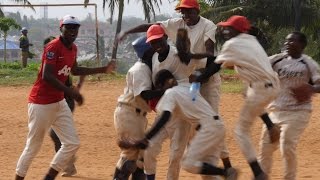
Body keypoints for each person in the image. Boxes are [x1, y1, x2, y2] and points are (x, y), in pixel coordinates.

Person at [15, 15, 116, 180]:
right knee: (33, 147)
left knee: (72, 143)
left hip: (59, 102)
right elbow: (47, 76)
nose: (72, 31)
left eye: (75, 28)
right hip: (40, 102)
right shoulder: (53, 46)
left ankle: (48, 177)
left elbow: (75, 70)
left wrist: (103, 69)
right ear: (61, 29)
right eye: (68, 27)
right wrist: (71, 92)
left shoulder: (74, 48)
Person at [198, 15, 281, 180]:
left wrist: (198, 78)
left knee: (240, 131)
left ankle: (258, 173)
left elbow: (215, 66)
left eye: (230, 28)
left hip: (260, 89)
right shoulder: (251, 40)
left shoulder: (232, 44)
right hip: (273, 85)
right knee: (246, 93)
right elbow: (230, 62)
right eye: (225, 27)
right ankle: (270, 124)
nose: (225, 30)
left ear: (239, 30)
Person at [128, 69, 238, 180]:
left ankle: (226, 172)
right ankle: (226, 172)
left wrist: (146, 138)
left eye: (160, 87)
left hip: (208, 129)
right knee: (208, 175)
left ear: (168, 82)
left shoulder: (170, 93)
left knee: (188, 163)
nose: (160, 91)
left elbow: (164, 117)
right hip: (217, 126)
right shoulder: (187, 87)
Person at [258, 32, 320, 180]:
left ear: (302, 45)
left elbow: (319, 83)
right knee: (265, 148)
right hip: (275, 111)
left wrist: (311, 89)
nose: (288, 43)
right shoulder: (277, 59)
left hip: (298, 112)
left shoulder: (308, 62)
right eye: (287, 41)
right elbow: (258, 63)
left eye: (292, 41)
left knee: (286, 144)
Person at [113, 35, 160, 180]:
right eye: (154, 48)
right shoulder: (140, 69)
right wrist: (166, 90)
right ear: (147, 52)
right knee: (130, 155)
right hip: (129, 113)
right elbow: (144, 94)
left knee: (141, 157)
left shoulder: (146, 67)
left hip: (136, 114)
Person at [43, 36, 85, 177]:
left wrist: (78, 87)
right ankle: (69, 163)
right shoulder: (49, 62)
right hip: (54, 100)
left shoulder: (65, 57)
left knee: (55, 134)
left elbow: (78, 70)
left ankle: (68, 163)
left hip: (66, 99)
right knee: (56, 135)